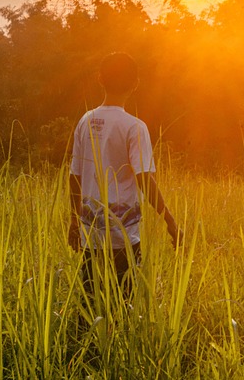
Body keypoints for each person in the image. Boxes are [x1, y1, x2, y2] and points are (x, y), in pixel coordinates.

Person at [68, 51, 182, 301]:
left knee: (90, 303)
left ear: (100, 79)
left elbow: (74, 176)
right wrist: (170, 221)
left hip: (90, 236)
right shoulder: (134, 127)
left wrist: (74, 222)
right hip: (123, 239)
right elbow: (144, 179)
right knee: (125, 303)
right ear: (135, 84)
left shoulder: (85, 121)